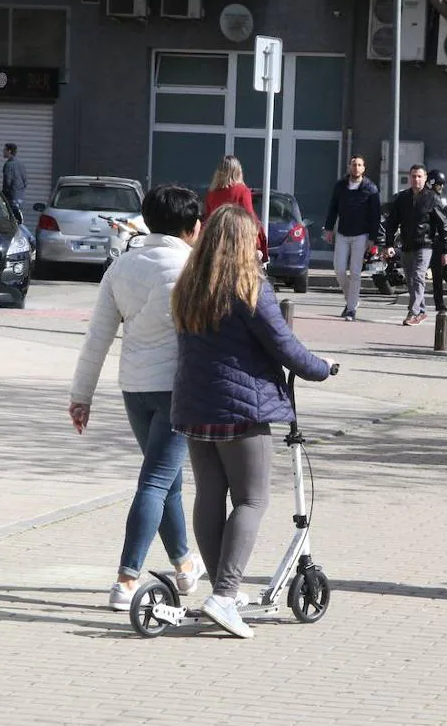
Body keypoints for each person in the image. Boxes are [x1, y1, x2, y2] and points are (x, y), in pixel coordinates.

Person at [170, 205, 335, 639]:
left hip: (194, 404)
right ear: (245, 244)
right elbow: (285, 346)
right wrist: (323, 368)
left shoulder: (190, 286)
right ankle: (224, 595)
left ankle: (225, 588)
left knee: (209, 494)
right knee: (251, 500)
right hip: (242, 410)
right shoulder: (249, 288)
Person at [68, 186, 207, 611]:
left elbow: (98, 336)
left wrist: (81, 395)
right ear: (190, 226)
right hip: (178, 390)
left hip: (134, 389)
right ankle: (126, 579)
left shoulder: (122, 266)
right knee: (155, 481)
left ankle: (184, 566)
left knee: (167, 480)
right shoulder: (192, 266)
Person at [378, 165, 447, 326]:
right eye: (413, 176)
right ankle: (422, 311)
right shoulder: (402, 198)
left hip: (425, 244)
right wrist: (388, 244)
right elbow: (392, 223)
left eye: (419, 176)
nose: (416, 180)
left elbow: (443, 224)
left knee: (419, 276)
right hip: (406, 244)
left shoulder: (432, 198)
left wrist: (446, 249)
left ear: (425, 178)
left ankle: (413, 312)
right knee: (411, 280)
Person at [324, 156, 381, 321]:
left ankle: (351, 309)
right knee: (339, 269)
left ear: (364, 168)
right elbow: (333, 208)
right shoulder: (340, 186)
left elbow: (375, 216)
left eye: (359, 165)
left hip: (361, 235)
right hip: (342, 233)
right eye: (354, 164)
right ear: (349, 167)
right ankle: (352, 299)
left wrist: (372, 238)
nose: (356, 168)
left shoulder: (370, 188)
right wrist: (328, 229)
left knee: (355, 272)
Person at [205, 155, 267, 261]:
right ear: (238, 171)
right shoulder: (242, 191)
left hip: (217, 242)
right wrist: (257, 245)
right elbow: (249, 218)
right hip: (238, 241)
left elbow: (207, 220)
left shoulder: (211, 194)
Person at [425, 169, 447, 313]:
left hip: (437, 239)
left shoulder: (443, 199)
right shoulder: (425, 197)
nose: (441, 187)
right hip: (427, 238)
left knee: (438, 275)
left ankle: (439, 302)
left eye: (442, 184)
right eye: (438, 184)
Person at [2, 143, 28, 214]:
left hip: (11, 198)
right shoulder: (21, 163)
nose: (3, 152)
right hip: (20, 197)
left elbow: (7, 182)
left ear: (9, 151)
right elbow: (25, 181)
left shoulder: (8, 165)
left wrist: (3, 194)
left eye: (4, 150)